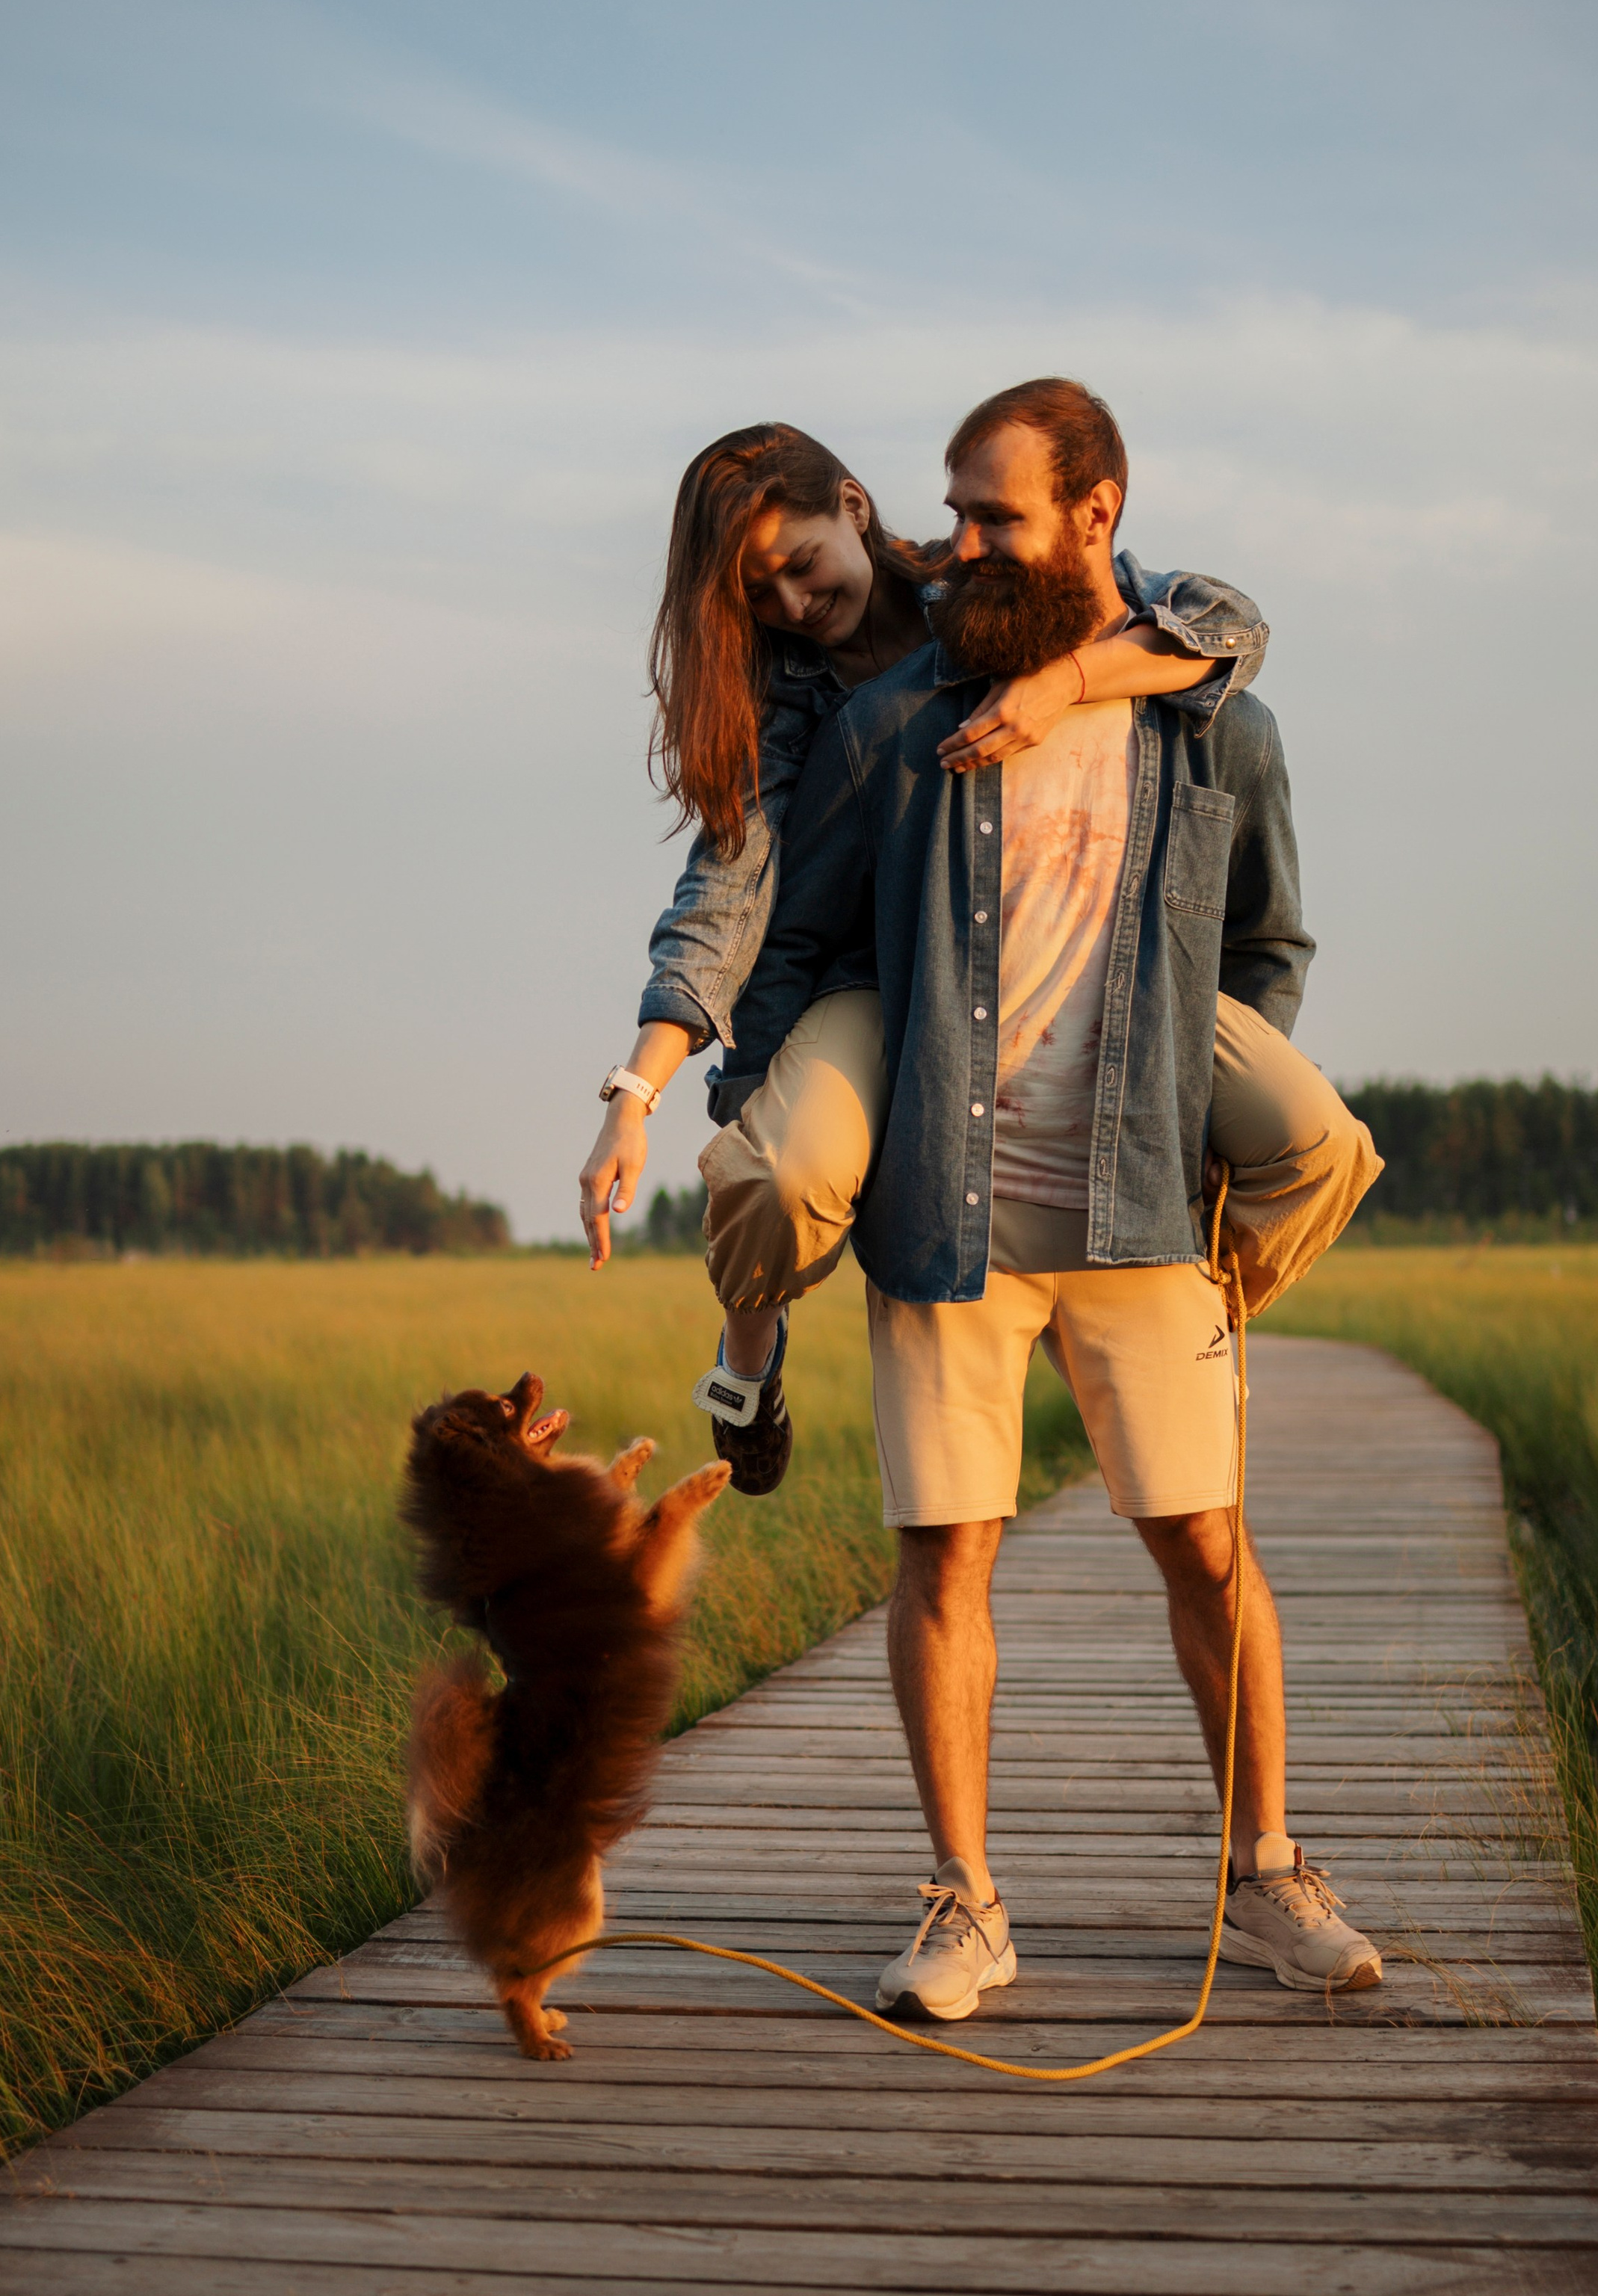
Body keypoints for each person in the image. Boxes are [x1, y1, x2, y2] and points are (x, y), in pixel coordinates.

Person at [722, 377, 1383, 2010]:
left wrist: (1195, 1098)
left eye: (993, 515)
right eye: (949, 512)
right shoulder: (893, 730)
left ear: (1095, 513)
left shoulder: (1214, 722)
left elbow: (1266, 952)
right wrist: (780, 1121)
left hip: (1142, 1207)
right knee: (943, 1560)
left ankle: (1269, 1870)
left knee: (1207, 1549)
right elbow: (798, 947)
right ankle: (964, 1903)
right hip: (946, 1216)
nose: (954, 548)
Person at [580, 419, 1375, 1494]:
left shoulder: (983, 583)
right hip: (871, 971)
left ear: (854, 507)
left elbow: (1220, 622)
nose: (794, 609)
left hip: (1051, 950)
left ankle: (1180, 1312)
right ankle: (748, 1363)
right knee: (781, 1167)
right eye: (757, 598)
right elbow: (728, 892)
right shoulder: (785, 704)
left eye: (802, 568)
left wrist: (1071, 680)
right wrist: (638, 1089)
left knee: (1323, 1143)